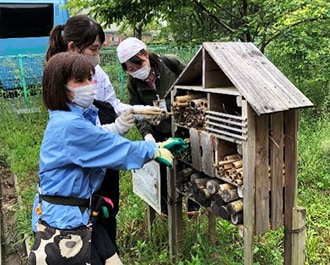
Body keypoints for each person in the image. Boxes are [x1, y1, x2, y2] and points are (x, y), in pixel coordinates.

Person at [28, 52, 186, 265]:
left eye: (90, 78)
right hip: (65, 222)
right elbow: (111, 148)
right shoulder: (69, 125)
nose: (89, 85)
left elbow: (101, 141)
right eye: (80, 80)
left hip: (81, 210)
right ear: (59, 87)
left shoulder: (73, 117)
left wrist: (155, 145)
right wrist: (153, 150)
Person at [45, 14, 164, 251]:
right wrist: (150, 147)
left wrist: (140, 111)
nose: (91, 84)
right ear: (73, 48)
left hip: (100, 158)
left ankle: (106, 249)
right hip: (81, 178)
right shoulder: (61, 82)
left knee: (107, 210)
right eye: (94, 48)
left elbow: (112, 106)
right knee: (91, 220)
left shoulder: (96, 73)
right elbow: (88, 139)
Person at [116, 37, 200, 217]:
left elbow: (194, 84)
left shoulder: (171, 63)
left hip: (184, 126)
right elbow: (137, 113)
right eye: (130, 69)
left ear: (145, 54)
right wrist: (147, 135)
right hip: (159, 132)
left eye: (138, 66)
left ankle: (193, 206)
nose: (136, 72)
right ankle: (164, 208)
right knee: (162, 168)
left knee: (192, 163)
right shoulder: (134, 84)